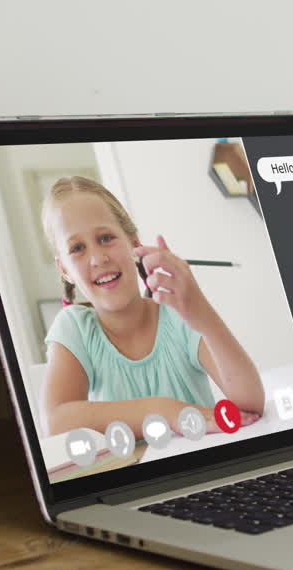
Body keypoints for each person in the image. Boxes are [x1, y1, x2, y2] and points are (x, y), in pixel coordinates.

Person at [41, 176, 264, 438]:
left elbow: (250, 404)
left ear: (134, 245)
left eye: (105, 238)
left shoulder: (176, 314)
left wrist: (200, 311)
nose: (98, 258)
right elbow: (56, 422)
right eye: (77, 248)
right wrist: (165, 411)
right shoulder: (74, 328)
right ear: (64, 269)